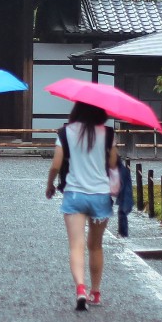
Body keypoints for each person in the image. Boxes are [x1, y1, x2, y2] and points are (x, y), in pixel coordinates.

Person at [45, 101, 118, 311]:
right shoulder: (108, 134)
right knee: (95, 246)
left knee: (76, 245)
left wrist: (50, 185)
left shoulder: (65, 133)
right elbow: (113, 165)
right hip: (100, 195)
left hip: (75, 194)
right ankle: (96, 292)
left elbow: (55, 165)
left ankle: (80, 289)